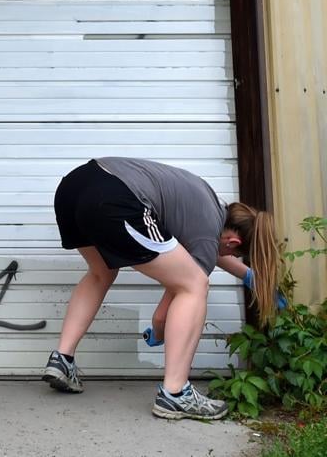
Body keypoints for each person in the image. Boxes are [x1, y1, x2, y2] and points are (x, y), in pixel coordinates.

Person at [43, 158, 283, 421]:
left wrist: (249, 275)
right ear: (233, 240)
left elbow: (204, 249)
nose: (226, 257)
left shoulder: (206, 205)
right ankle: (175, 394)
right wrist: (158, 332)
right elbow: (163, 312)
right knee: (194, 285)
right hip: (115, 195)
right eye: (234, 255)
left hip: (75, 188)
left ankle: (62, 360)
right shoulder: (207, 230)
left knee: (101, 273)